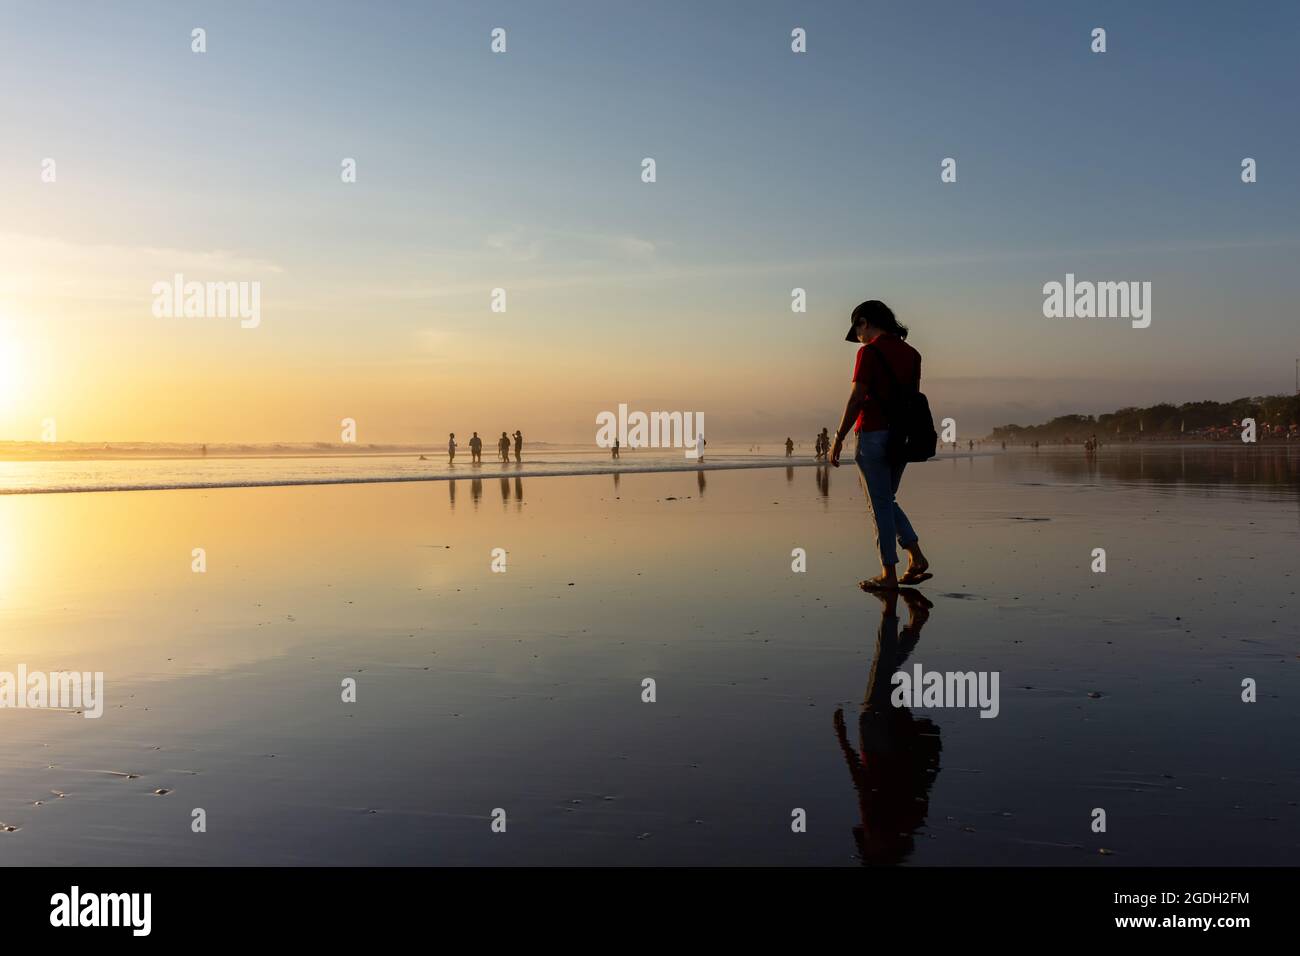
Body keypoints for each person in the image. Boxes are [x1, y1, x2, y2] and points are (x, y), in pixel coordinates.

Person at [830, 300, 931, 591]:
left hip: (873, 434)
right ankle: (916, 557)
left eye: (857, 329)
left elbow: (856, 398)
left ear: (864, 322)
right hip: (901, 438)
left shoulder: (869, 353)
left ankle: (888, 572)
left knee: (880, 505)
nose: (857, 338)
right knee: (886, 500)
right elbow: (911, 399)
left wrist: (838, 437)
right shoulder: (912, 354)